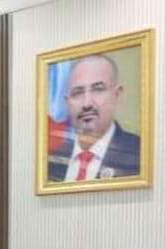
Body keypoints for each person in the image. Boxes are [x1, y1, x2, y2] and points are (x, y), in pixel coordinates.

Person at [48, 54, 141, 182]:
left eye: (98, 89)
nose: (87, 104)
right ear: (67, 102)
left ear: (117, 94)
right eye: (77, 92)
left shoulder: (140, 154)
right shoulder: (52, 158)